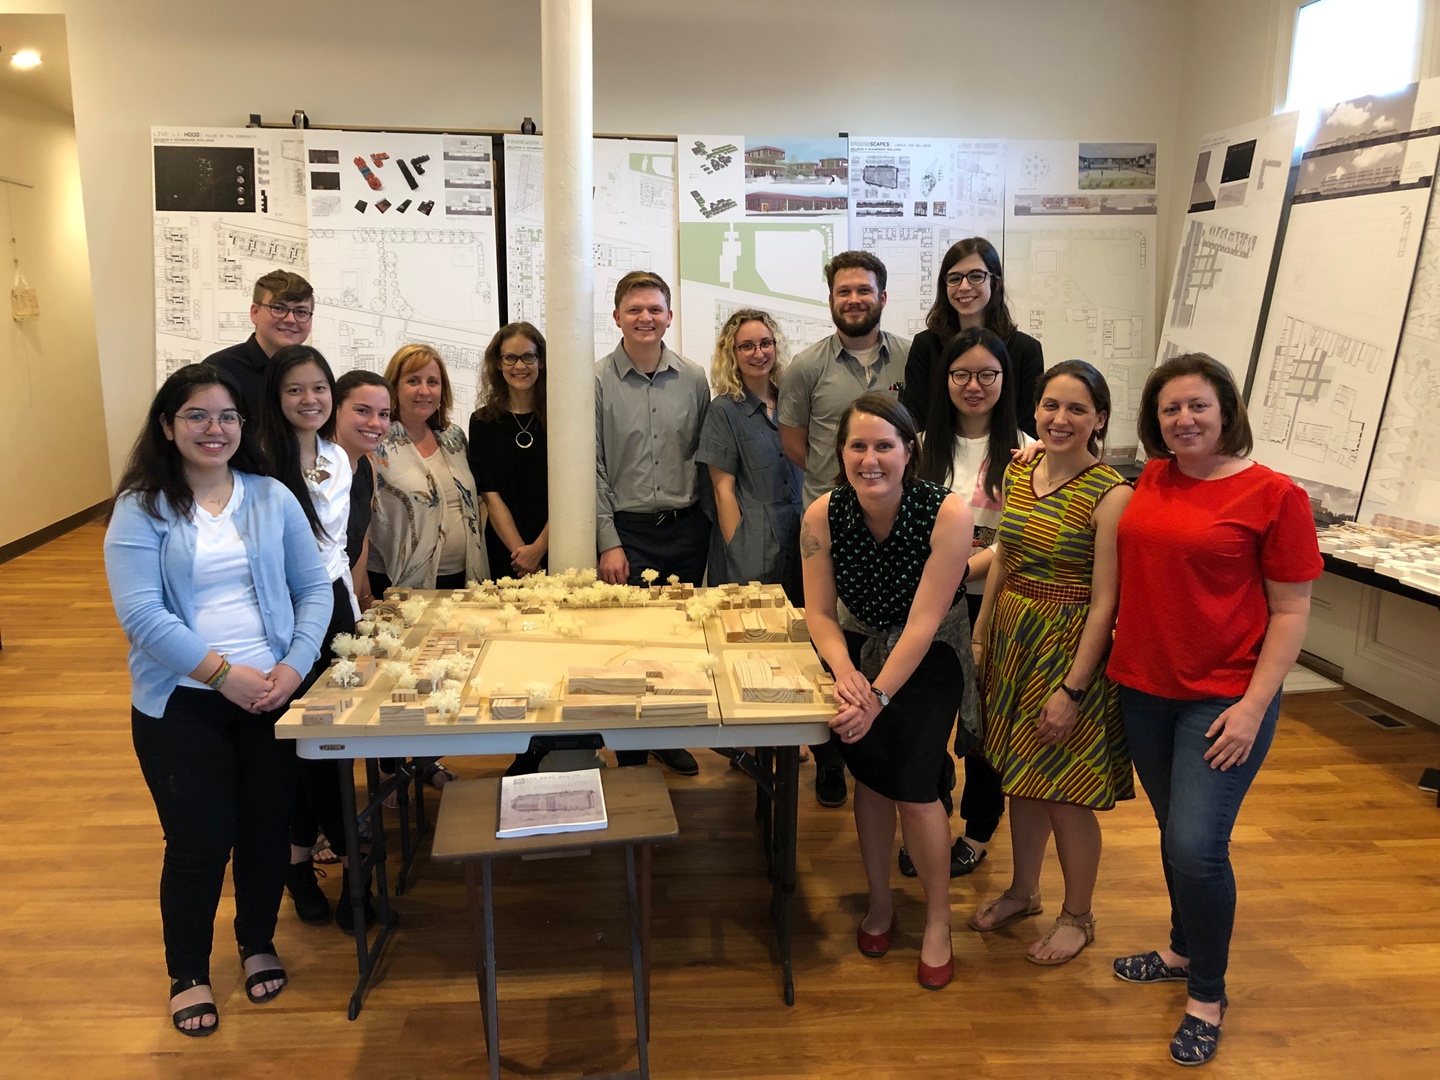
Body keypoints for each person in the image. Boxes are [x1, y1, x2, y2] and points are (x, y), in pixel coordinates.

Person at [1106, 354, 1322, 1067]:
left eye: (1197, 406)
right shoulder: (1151, 479)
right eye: (1170, 410)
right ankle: (1179, 948)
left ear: (1226, 409)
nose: (1184, 420)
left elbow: (1291, 611)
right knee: (1175, 834)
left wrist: (1254, 706)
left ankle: (1207, 992)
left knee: (1198, 848)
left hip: (1223, 698)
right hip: (1143, 689)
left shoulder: (1274, 495)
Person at [104, 364, 331, 1037]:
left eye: (227, 416)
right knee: (200, 840)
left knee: (265, 830)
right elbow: (142, 616)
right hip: (183, 701)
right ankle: (188, 971)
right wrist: (224, 674)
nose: (214, 428)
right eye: (197, 416)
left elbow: (313, 589)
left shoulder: (269, 497)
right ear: (169, 426)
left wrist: (292, 669)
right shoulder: (140, 507)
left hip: (272, 694)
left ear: (244, 425)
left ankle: (257, 940)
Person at [800, 393, 979, 990]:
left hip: (931, 659)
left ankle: (937, 919)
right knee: (870, 778)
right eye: (857, 445)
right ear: (841, 452)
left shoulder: (948, 512)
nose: (870, 458)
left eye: (884, 445)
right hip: (857, 651)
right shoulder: (821, 515)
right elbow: (820, 614)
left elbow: (925, 624)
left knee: (914, 783)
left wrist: (875, 697)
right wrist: (847, 676)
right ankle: (881, 901)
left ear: (909, 451)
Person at [968, 360, 1134, 966]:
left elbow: (1106, 601)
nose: (1061, 419)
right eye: (1051, 407)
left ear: (1100, 419)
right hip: (1013, 635)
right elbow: (1005, 555)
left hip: (1067, 646)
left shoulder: (1112, 494)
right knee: (1021, 778)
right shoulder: (1023, 470)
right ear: (1034, 412)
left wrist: (1073, 689)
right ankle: (1023, 890)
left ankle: (1079, 915)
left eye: (1077, 409)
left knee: (1065, 792)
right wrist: (983, 640)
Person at [896, 326, 1034, 879]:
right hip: (931, 607)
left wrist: (953, 570)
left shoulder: (1027, 450)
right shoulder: (922, 446)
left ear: (1005, 380)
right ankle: (928, 820)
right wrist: (942, 577)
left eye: (987, 375)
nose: (973, 386)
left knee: (983, 731)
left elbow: (1014, 539)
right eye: (960, 374)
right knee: (926, 722)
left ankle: (976, 834)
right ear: (944, 379)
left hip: (993, 607)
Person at [259, 345, 384, 934]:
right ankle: (334, 864)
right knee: (304, 743)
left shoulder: (342, 460)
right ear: (275, 399)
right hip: (281, 612)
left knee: (329, 735)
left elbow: (345, 548)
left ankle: (320, 862)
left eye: (318, 389)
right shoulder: (259, 463)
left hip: (335, 606)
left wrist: (356, 614)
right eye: (295, 391)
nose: (309, 401)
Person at [778, 250, 910, 808]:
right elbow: (792, 438)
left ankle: (916, 761)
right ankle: (831, 761)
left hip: (902, 528)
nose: (853, 299)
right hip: (829, 527)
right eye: (843, 291)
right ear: (830, 299)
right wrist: (847, 489)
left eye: (864, 290)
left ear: (882, 296)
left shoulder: (912, 358)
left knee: (902, 643)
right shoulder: (807, 366)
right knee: (829, 641)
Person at [595, 270, 710, 776]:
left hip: (686, 529)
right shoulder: (594, 381)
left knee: (675, 642)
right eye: (635, 309)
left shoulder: (694, 377)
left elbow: (704, 458)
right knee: (629, 645)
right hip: (629, 532)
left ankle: (666, 734)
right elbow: (591, 467)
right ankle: (632, 753)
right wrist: (607, 541)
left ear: (669, 316)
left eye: (655, 309)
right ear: (617, 316)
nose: (645, 318)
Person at [368, 344, 489, 593]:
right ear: (394, 387)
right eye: (413, 381)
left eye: (433, 382)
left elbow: (475, 501)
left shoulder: (453, 437)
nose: (424, 391)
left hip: (464, 578)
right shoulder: (376, 442)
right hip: (396, 583)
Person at [697, 309, 802, 590]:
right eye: (747, 346)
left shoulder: (793, 404)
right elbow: (722, 492)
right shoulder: (723, 411)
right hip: (752, 548)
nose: (758, 353)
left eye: (765, 343)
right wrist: (740, 553)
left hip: (800, 540)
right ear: (732, 353)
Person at [899, 237, 1043, 438]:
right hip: (937, 459)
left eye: (976, 276)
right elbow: (915, 420)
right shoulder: (926, 346)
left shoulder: (1025, 350)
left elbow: (1029, 425)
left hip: (1009, 460)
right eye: (954, 278)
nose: (964, 286)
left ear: (996, 283)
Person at [469, 322, 549, 578]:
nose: (519, 366)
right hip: (506, 551)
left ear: (541, 361)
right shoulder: (482, 422)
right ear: (498, 363)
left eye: (528, 356)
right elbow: (491, 496)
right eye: (510, 358)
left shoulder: (562, 418)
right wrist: (522, 555)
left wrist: (537, 549)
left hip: (558, 543)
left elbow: (569, 493)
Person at [204, 269, 314, 417]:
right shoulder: (218, 371)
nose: (290, 319)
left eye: (301, 311)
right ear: (255, 313)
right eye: (278, 308)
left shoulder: (313, 372)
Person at [332, 370, 393, 613]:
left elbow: (359, 544)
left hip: (344, 603)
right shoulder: (317, 469)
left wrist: (357, 603)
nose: (375, 423)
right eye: (362, 411)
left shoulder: (368, 467)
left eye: (384, 414)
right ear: (334, 410)